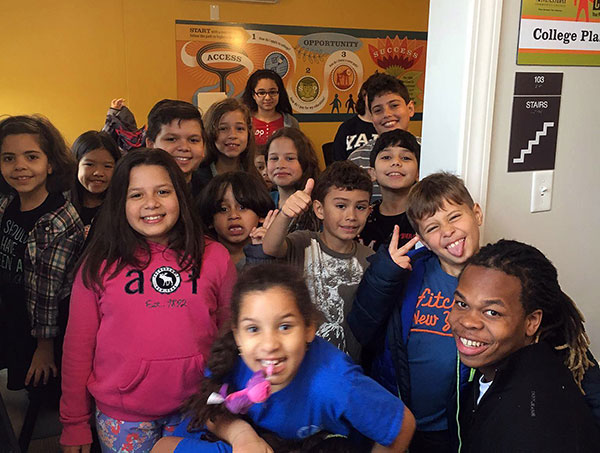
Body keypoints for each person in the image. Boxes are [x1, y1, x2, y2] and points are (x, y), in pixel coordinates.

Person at [59, 149, 236, 452]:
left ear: (179, 195)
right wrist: (74, 421)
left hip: (197, 408)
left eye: (163, 191)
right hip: (122, 416)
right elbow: (77, 347)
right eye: (136, 195)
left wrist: (228, 397)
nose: (151, 203)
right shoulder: (99, 264)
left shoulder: (215, 256)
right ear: (120, 204)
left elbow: (232, 334)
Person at [150, 263, 416, 453]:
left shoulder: (335, 383)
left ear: (309, 328)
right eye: (253, 329)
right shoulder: (230, 360)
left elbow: (401, 424)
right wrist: (241, 436)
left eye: (285, 326)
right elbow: (198, 418)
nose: (269, 345)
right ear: (238, 335)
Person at [348, 172, 483, 453]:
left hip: (454, 426)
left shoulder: (497, 277)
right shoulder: (409, 272)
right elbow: (362, 326)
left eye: (455, 217)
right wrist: (385, 273)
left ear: (477, 214)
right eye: (433, 227)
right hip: (398, 417)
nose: (447, 231)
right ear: (422, 238)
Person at [449, 239, 600, 452]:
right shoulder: (500, 367)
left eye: (492, 312)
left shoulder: (532, 422)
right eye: (462, 304)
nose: (467, 322)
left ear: (531, 322)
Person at [0, 115, 85, 396]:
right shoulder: (8, 202)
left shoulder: (56, 221)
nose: (19, 166)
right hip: (13, 307)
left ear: (50, 164)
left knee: (42, 389)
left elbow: (47, 292)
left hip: (42, 324)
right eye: (9, 158)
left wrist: (44, 348)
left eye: (31, 157)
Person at [262, 161, 374, 363]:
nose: (351, 216)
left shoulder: (370, 258)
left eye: (360, 207)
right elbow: (270, 247)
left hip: (344, 367)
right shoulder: (303, 242)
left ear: (369, 210)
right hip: (297, 364)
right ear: (319, 209)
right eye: (341, 206)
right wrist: (286, 214)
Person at [348, 74, 416, 202]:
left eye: (394, 105)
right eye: (378, 110)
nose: (387, 114)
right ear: (372, 119)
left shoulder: (428, 151)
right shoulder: (357, 159)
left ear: (410, 109)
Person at [197, 171, 276, 270]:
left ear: (261, 214)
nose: (234, 215)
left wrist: (259, 253)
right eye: (223, 209)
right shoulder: (201, 258)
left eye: (242, 207)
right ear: (210, 220)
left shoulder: (276, 253)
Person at [357, 129, 419, 252]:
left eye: (406, 158)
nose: (396, 162)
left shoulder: (426, 217)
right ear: (372, 173)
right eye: (386, 157)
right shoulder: (361, 217)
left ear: (418, 173)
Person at [194, 98, 261, 190]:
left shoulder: (256, 179)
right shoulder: (197, 179)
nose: (233, 135)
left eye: (240, 129)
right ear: (210, 133)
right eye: (223, 129)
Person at [145, 99, 207, 199]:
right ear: (151, 145)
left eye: (193, 140)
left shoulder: (212, 194)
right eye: (171, 139)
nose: (184, 147)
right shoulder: (132, 192)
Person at [265, 127, 320, 232]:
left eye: (290, 158)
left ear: (304, 162)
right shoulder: (263, 202)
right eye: (274, 158)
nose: (280, 165)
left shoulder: (319, 205)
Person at [70, 130, 121, 235]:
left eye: (107, 166)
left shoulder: (121, 207)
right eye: (89, 164)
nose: (98, 172)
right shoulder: (62, 203)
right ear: (75, 164)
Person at [242, 69, 299, 146]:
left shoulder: (291, 122)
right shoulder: (244, 121)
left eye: (272, 92)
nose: (267, 98)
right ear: (253, 95)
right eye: (261, 93)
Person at [332, 76, 378, 162]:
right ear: (364, 95)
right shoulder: (347, 127)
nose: (377, 100)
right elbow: (337, 164)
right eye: (373, 95)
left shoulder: (388, 126)